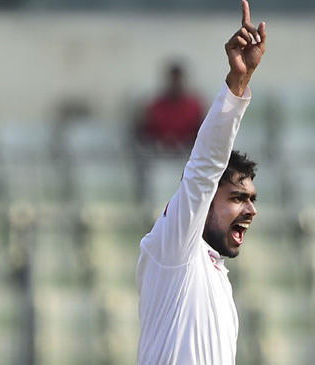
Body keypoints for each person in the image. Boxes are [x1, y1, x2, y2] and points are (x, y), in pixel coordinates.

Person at [135, 1, 266, 363]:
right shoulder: (174, 252)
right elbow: (204, 167)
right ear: (205, 200)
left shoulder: (217, 278)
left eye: (251, 198)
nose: (251, 210)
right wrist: (238, 83)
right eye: (238, 198)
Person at [137, 60, 205, 154]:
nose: (175, 84)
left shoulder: (194, 107)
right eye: (173, 80)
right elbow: (144, 133)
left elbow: (201, 134)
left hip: (186, 154)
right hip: (158, 153)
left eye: (177, 80)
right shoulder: (156, 107)